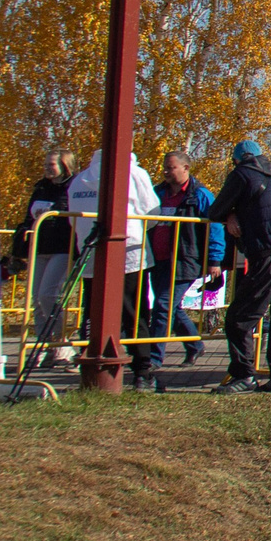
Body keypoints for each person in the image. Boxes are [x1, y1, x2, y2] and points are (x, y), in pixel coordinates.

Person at [202, 139, 271, 393]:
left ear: (237, 160)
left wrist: (229, 214)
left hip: (266, 252)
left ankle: (244, 375)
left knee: (239, 317)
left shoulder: (241, 174)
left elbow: (215, 210)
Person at [69, 143, 164, 388]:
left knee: (92, 311)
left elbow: (73, 218)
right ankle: (142, 372)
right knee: (135, 313)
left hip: (90, 252)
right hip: (129, 253)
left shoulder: (79, 180)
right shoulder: (135, 173)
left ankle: (90, 364)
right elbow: (153, 212)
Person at [145, 152, 222, 378]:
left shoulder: (200, 195)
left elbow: (215, 226)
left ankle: (154, 358)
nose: (166, 172)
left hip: (184, 260)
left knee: (163, 305)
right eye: (165, 167)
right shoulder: (158, 193)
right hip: (157, 259)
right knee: (172, 307)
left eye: (170, 168)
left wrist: (215, 260)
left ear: (185, 168)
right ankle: (195, 345)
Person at [10, 152, 76, 362]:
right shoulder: (40, 187)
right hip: (38, 247)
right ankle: (44, 344)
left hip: (62, 247)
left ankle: (61, 342)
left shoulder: (72, 187)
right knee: (36, 299)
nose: (47, 168)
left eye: (51, 164)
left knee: (47, 295)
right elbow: (28, 217)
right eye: (45, 164)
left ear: (64, 166)